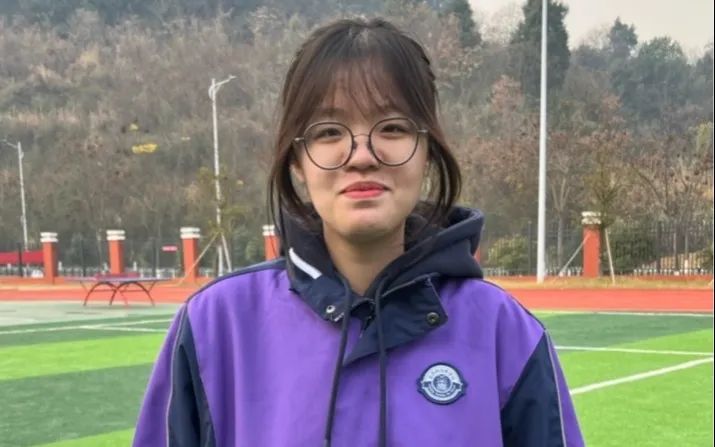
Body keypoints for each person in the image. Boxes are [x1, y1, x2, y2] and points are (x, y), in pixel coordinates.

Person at [133, 17, 584, 447]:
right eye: (329, 131)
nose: (362, 155)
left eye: (393, 127)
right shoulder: (215, 325)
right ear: (297, 159)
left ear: (427, 150)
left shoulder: (504, 332)